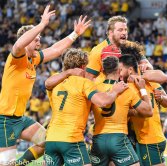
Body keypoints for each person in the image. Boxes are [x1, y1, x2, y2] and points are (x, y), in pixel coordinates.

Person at [0, 5, 91, 165]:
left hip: (20, 119)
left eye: (40, 39)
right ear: (27, 40)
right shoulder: (15, 59)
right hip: (4, 120)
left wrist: (75, 34)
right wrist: (42, 24)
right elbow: (18, 45)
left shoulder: (33, 59)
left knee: (47, 140)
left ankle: (21, 163)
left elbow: (56, 50)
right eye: (36, 40)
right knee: (6, 163)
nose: (39, 42)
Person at [44, 48, 128, 166]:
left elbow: (47, 83)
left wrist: (68, 73)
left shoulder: (56, 82)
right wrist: (115, 91)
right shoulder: (84, 83)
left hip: (51, 139)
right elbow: (102, 102)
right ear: (83, 66)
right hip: (71, 139)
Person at [90, 56, 152, 166]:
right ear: (119, 71)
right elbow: (148, 111)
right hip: (118, 139)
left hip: (98, 139)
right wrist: (142, 89)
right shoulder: (126, 89)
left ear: (103, 71)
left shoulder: (93, 88)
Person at [119, 54, 167, 166]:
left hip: (148, 139)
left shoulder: (132, 87)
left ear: (130, 70)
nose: (119, 73)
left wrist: (161, 97)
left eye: (121, 69)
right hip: (153, 136)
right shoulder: (150, 81)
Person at [85, 15, 153, 82]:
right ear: (110, 32)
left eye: (125, 30)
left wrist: (145, 66)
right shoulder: (98, 51)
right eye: (120, 30)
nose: (124, 33)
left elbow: (149, 66)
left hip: (132, 89)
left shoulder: (132, 46)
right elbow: (89, 79)